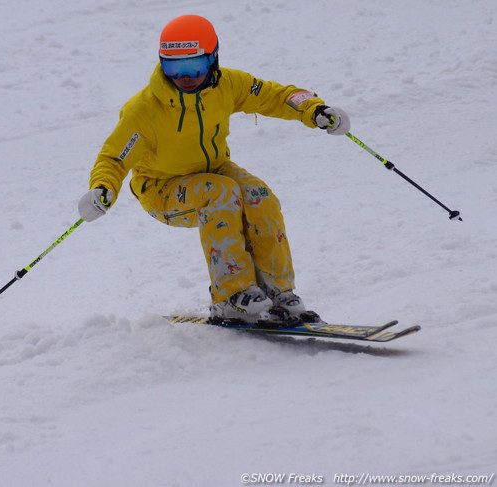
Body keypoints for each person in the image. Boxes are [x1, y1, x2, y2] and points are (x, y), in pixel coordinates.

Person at [78, 14, 350, 323]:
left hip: (215, 170)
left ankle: (277, 293)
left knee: (258, 194)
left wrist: (314, 109)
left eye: (194, 66)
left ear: (213, 60)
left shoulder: (228, 85)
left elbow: (276, 95)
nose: (185, 77)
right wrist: (103, 188)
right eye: (173, 68)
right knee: (220, 192)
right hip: (161, 189)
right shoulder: (144, 110)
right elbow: (114, 157)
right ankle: (230, 298)